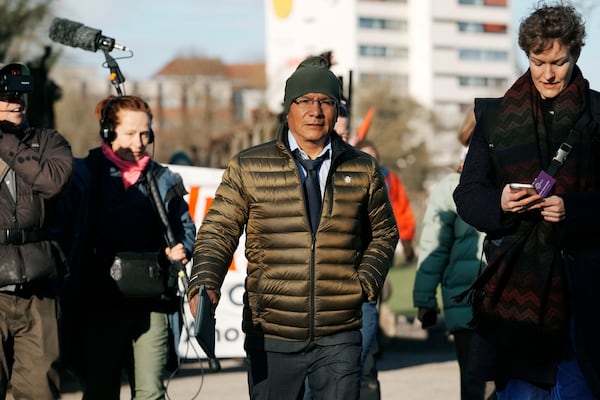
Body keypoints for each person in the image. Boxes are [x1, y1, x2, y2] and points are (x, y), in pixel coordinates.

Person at [187, 55, 399, 400]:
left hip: (339, 333)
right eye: (304, 100)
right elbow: (218, 230)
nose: (315, 110)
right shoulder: (248, 166)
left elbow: (384, 233)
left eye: (325, 101)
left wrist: (363, 284)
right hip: (271, 332)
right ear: (289, 108)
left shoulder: (363, 168)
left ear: (336, 110)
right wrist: (205, 281)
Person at [453, 2, 600, 398]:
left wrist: (577, 209)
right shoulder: (495, 116)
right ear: (527, 56)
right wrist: (499, 201)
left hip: (582, 294)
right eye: (538, 62)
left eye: (559, 61)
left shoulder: (599, 113)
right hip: (515, 293)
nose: (548, 73)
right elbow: (467, 194)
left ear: (576, 54)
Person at [58, 95, 196, 399]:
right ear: (108, 132)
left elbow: (186, 229)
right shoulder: (83, 175)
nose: (140, 142)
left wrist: (182, 248)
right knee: (100, 391)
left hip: (152, 302)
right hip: (97, 303)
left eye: (145, 133)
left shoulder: (163, 178)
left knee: (151, 393)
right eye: (130, 133)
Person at [0, 62, 73, 399]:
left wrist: (6, 143)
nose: (15, 101)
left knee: (40, 391)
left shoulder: (49, 141)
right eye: (5, 95)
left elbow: (53, 183)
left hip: (39, 288)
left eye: (20, 93)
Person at [413, 109, 494, 400]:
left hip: (508, 301)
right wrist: (424, 300)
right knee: (476, 385)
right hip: (467, 304)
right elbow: (434, 246)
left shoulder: (516, 185)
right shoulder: (449, 189)